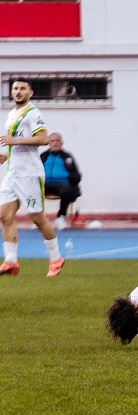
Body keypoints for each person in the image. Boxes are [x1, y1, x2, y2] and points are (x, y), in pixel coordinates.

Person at [0, 79, 65, 277]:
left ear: (31, 93)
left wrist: (14, 140)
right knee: (5, 216)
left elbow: (43, 138)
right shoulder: (12, 114)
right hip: (13, 172)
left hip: (30, 174)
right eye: (15, 89)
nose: (18, 92)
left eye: (22, 89)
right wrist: (6, 155)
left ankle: (56, 257)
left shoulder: (33, 113)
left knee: (37, 218)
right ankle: (11, 261)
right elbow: (17, 146)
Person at [40, 132, 82, 231]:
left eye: (57, 140)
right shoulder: (43, 156)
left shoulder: (67, 157)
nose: (55, 143)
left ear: (62, 143)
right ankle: (39, 219)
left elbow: (76, 175)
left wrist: (67, 176)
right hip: (45, 184)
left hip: (62, 185)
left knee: (67, 190)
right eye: (52, 141)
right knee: (34, 189)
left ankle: (60, 217)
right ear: (49, 143)